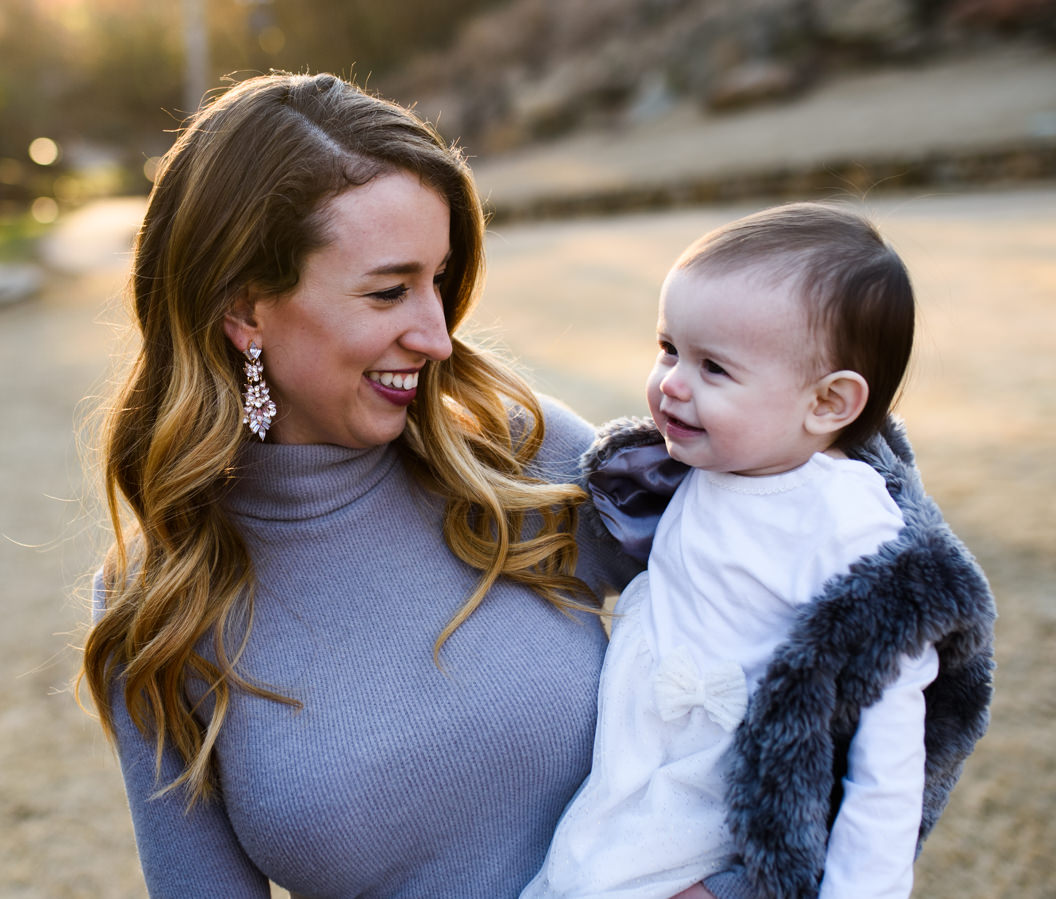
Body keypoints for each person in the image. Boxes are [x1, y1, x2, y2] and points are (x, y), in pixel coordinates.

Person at [78, 72, 641, 898]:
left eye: (439, 280)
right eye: (389, 290)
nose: (438, 336)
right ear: (245, 309)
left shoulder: (524, 457)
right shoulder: (158, 607)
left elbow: (832, 631)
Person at [523, 203, 995, 899]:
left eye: (714, 367)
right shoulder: (696, 465)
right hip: (632, 763)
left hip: (719, 793)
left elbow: (889, 755)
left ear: (828, 403)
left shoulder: (848, 529)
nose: (672, 383)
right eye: (668, 348)